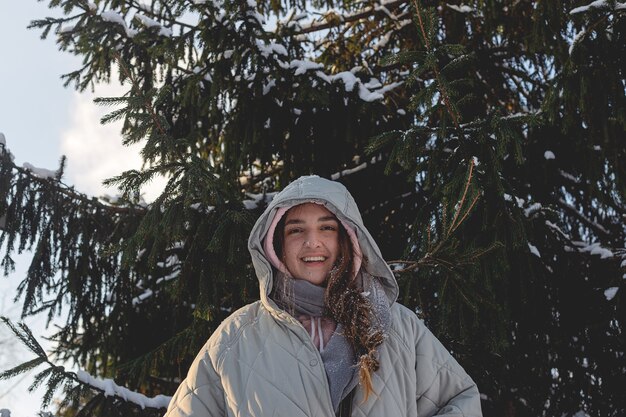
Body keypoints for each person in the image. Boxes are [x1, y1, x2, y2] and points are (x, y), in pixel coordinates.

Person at [164, 175, 482, 417]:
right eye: (296, 230)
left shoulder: (399, 327)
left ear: (347, 239)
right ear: (276, 245)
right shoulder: (236, 338)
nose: (312, 242)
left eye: (327, 228)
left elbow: (461, 401)